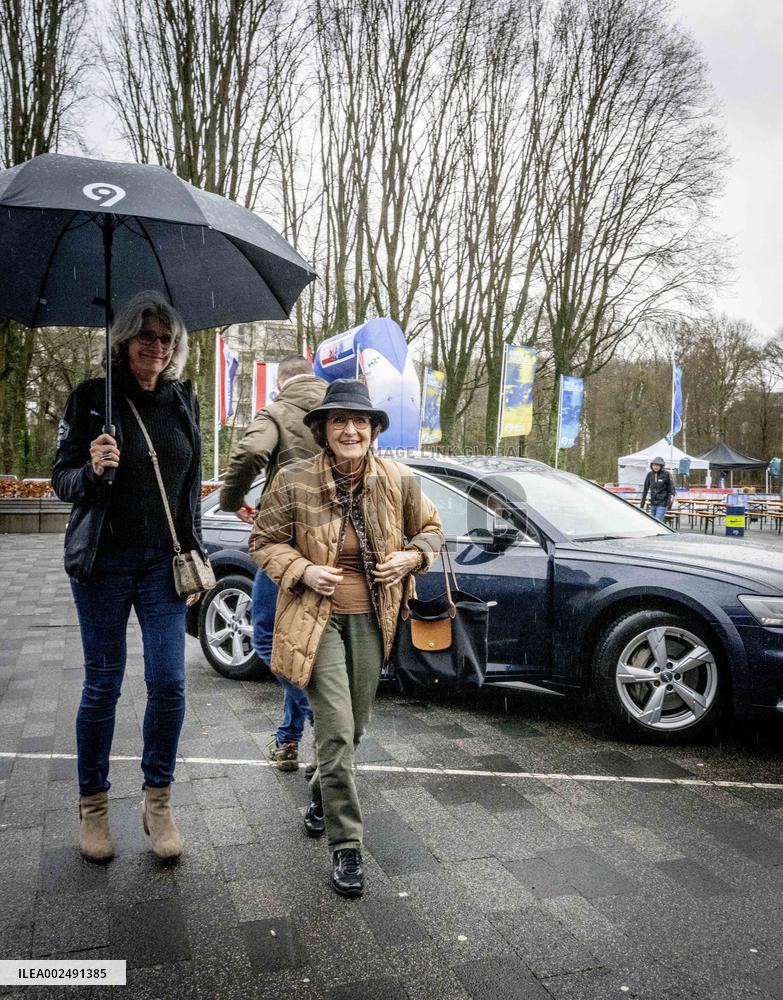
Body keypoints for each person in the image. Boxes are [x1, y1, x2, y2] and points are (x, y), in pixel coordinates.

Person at [248, 379, 443, 897]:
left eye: (360, 421)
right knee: (334, 732)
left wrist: (411, 557)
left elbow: (432, 530)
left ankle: (321, 791)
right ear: (323, 429)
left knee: (352, 731)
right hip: (315, 621)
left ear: (374, 430)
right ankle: (347, 846)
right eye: (339, 421)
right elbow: (263, 541)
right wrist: (304, 570)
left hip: (374, 619)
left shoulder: (397, 480)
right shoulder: (293, 480)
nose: (350, 430)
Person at [52, 290, 203, 864]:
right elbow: (61, 481)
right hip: (104, 565)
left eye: (166, 338)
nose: (156, 346)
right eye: (145, 335)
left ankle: (157, 801)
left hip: (164, 565)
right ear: (123, 339)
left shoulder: (183, 400)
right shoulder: (93, 399)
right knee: (103, 684)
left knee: (169, 682)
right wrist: (91, 469)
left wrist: (195, 552)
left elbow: (188, 489)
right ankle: (93, 805)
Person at [219, 356, 326, 770]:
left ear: (281, 382)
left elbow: (250, 453)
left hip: (284, 536)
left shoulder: (278, 410)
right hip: (328, 540)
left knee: (265, 636)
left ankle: (324, 722)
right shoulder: (338, 411)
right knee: (299, 644)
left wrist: (233, 500)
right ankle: (288, 739)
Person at [640, 455, 675, 522]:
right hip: (653, 502)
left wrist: (669, 504)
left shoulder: (667, 474)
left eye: (657, 465)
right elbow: (645, 490)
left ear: (661, 466)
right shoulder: (650, 474)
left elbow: (672, 490)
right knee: (653, 521)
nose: (655, 467)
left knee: (657, 521)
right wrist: (642, 504)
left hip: (662, 503)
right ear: (651, 465)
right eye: (654, 465)